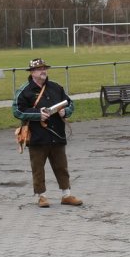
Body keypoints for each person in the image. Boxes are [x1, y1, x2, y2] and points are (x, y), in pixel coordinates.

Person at [12, 58, 82, 208]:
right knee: (38, 168)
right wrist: (37, 114)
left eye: (44, 68)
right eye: (39, 69)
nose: (43, 71)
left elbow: (70, 104)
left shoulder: (56, 87)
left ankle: (66, 195)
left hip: (57, 134)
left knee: (62, 166)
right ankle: (41, 197)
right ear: (32, 72)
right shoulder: (24, 91)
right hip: (37, 136)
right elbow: (17, 111)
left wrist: (65, 111)